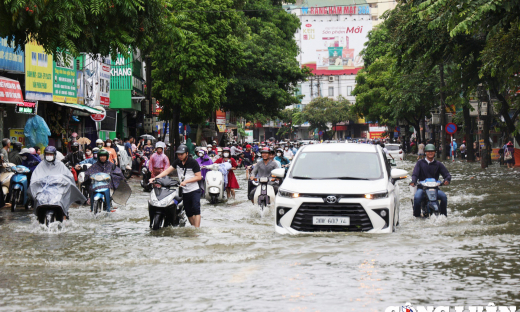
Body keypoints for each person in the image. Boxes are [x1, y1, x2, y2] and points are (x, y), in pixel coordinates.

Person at [150, 145, 202, 227]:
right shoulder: (177, 162)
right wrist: (155, 178)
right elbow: (167, 171)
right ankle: (193, 228)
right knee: (188, 212)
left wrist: (186, 181)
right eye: (178, 154)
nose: (180, 156)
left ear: (187, 153)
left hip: (194, 190)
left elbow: (198, 177)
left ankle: (197, 230)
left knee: (196, 210)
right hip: (184, 191)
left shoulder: (193, 162)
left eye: (182, 154)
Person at [409, 144, 451, 217]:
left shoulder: (438, 164)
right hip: (422, 188)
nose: (430, 153)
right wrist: (413, 181)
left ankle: (443, 216)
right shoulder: (420, 163)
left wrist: (447, 180)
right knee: (417, 198)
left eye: (432, 151)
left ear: (435, 152)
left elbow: (447, 174)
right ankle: (417, 216)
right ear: (425, 152)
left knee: (444, 197)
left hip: (435, 188)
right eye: (428, 151)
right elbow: (415, 174)